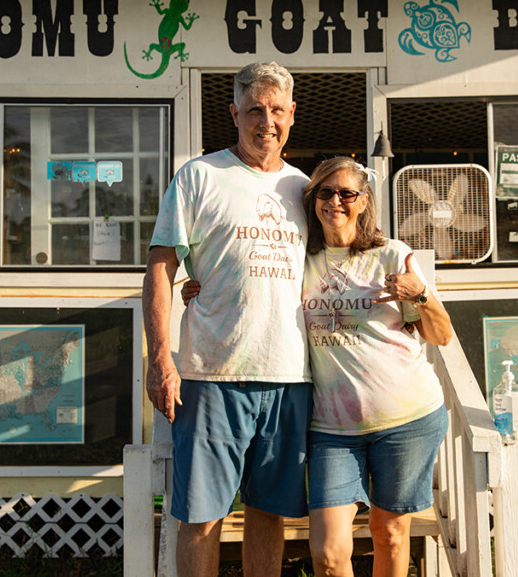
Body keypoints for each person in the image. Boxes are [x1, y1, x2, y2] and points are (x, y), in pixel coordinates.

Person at [183, 156, 453, 576]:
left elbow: (441, 335)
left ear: (363, 201)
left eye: (347, 193)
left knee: (389, 534)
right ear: (312, 201)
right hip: (332, 430)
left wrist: (421, 296)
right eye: (325, 192)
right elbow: (252, 277)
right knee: (327, 553)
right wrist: (202, 288)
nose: (336, 202)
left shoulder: (391, 256)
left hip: (406, 417)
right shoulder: (298, 260)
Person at [142, 62, 311, 576]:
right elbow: (160, 267)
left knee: (269, 513)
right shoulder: (199, 176)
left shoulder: (306, 190)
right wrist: (159, 360)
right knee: (202, 516)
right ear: (234, 112)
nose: (267, 121)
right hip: (211, 375)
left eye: (277, 109)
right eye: (255, 109)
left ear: (292, 115)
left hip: (289, 377)